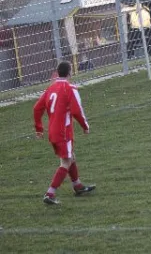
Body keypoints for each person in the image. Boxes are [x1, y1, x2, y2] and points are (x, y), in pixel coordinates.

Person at [33, 61, 95, 205]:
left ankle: (77, 186)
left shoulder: (51, 88)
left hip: (53, 132)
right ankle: (50, 193)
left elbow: (36, 108)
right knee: (66, 161)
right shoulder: (70, 88)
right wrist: (85, 125)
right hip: (64, 132)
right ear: (69, 72)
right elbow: (76, 110)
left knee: (70, 157)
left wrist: (39, 128)